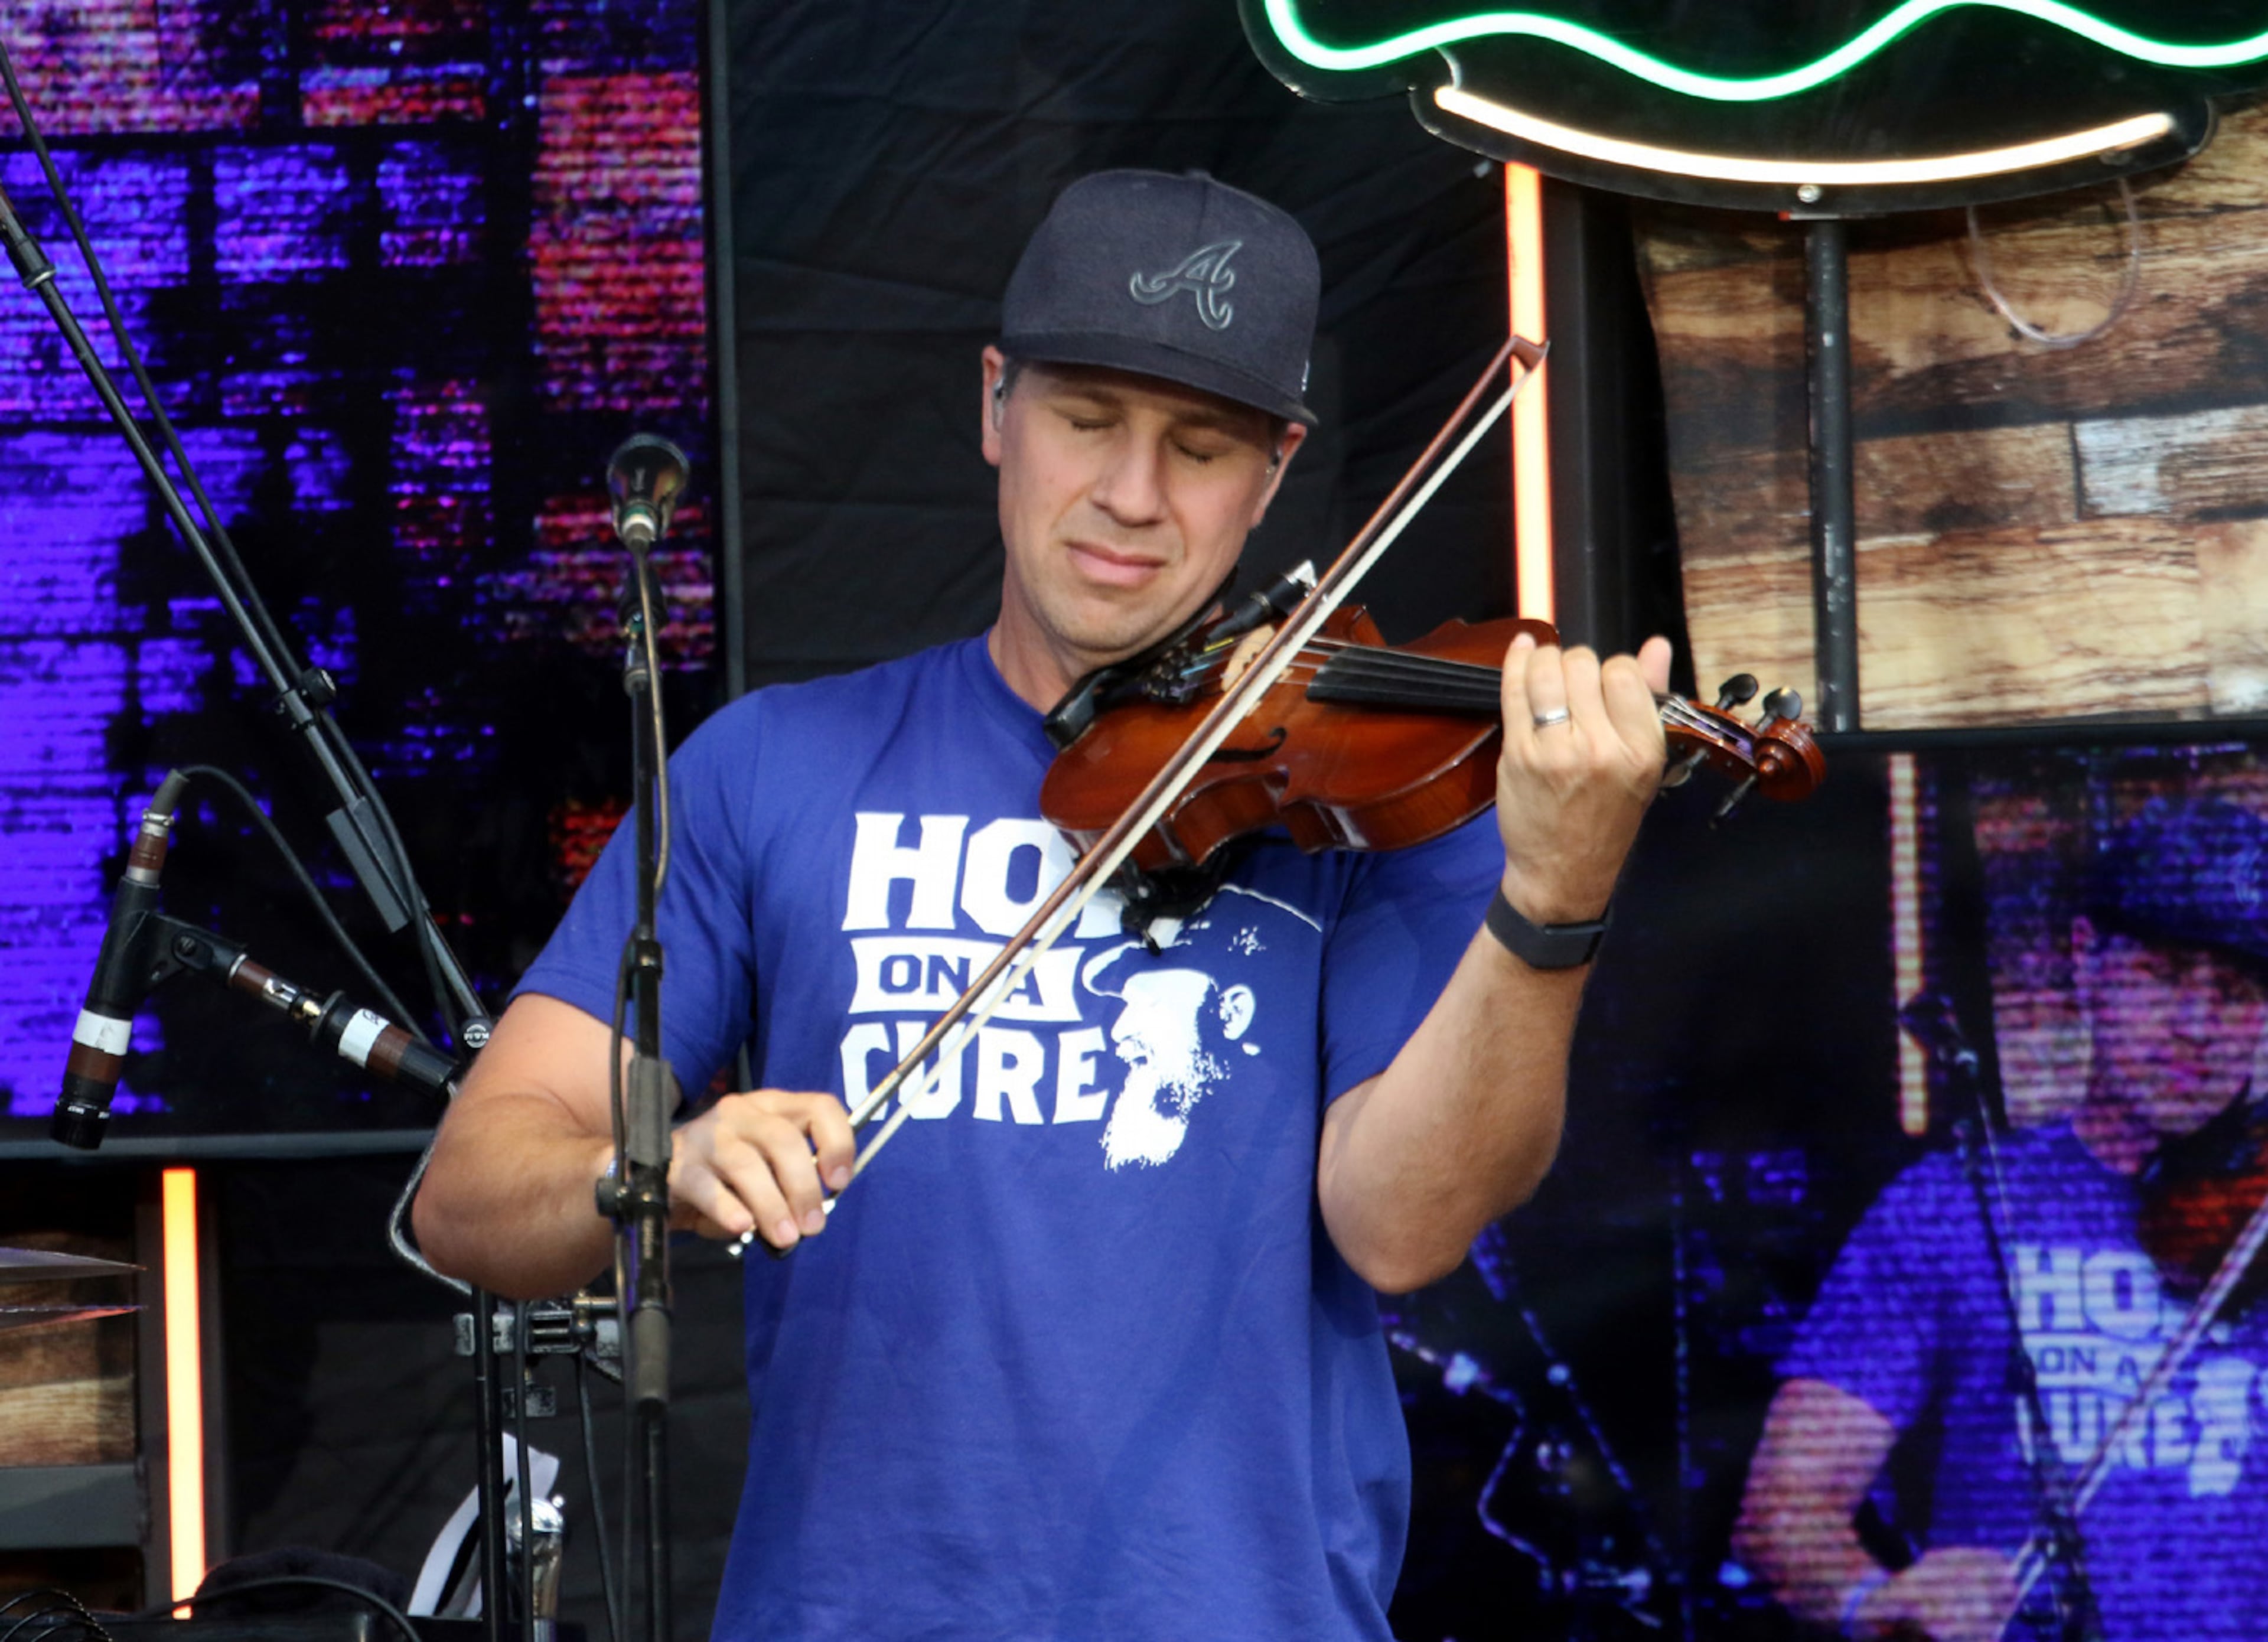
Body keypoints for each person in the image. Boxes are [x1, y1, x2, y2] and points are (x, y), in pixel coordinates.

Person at [413, 168, 1672, 1641]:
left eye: (1200, 449)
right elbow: (469, 1192)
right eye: (1087, 422)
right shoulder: (773, 766)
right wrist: (653, 1164)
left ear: (1276, 473)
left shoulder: (1370, 794)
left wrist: (1552, 897)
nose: (1134, 497)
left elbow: (1400, 1225)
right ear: (998, 405)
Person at [1735, 798, 2268, 1642]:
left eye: (2235, 994)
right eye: (2163, 978)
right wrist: (1871, 1599)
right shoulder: (1950, 1207)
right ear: (2086, 960)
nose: (2198, 1027)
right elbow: (1786, 1508)